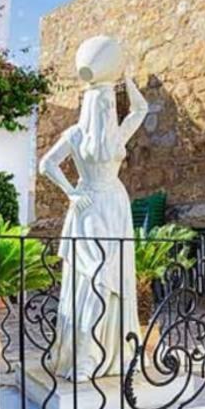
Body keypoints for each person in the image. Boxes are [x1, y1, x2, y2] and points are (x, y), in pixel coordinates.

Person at [38, 36, 147, 381]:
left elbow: (46, 165)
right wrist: (124, 79)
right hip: (102, 202)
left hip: (102, 203)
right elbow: (46, 164)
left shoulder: (91, 134)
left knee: (100, 280)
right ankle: (86, 358)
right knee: (96, 281)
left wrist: (71, 192)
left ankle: (97, 356)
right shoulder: (106, 136)